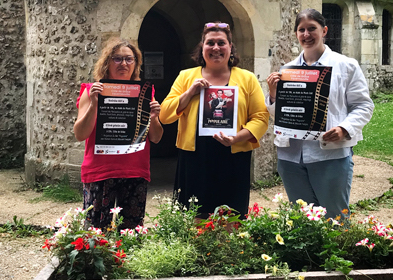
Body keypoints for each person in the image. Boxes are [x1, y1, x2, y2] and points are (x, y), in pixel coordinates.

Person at [266, 9, 374, 219]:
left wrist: (345, 129)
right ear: (296, 34)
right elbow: (278, 115)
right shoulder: (287, 70)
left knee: (334, 217)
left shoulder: (346, 66)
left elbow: (363, 106)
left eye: (312, 28)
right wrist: (272, 95)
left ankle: (339, 253)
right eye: (301, 30)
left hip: (329, 154)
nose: (307, 34)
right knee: (302, 219)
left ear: (324, 30)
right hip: (291, 157)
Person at [160, 22, 269, 218]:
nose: (216, 48)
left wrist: (237, 137)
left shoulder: (247, 78)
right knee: (193, 217)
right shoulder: (186, 77)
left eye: (221, 43)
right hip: (194, 159)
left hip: (233, 157)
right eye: (210, 43)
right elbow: (165, 115)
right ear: (202, 47)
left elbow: (260, 117)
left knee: (231, 218)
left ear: (230, 47)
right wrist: (190, 92)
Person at [74, 38, 163, 230]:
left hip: (134, 170)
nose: (124, 64)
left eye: (129, 59)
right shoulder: (91, 91)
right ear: (107, 62)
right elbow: (80, 134)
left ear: (136, 64)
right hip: (100, 172)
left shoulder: (144, 93)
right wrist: (94, 104)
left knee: (131, 235)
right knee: (95, 235)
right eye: (117, 59)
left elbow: (155, 137)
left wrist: (154, 117)